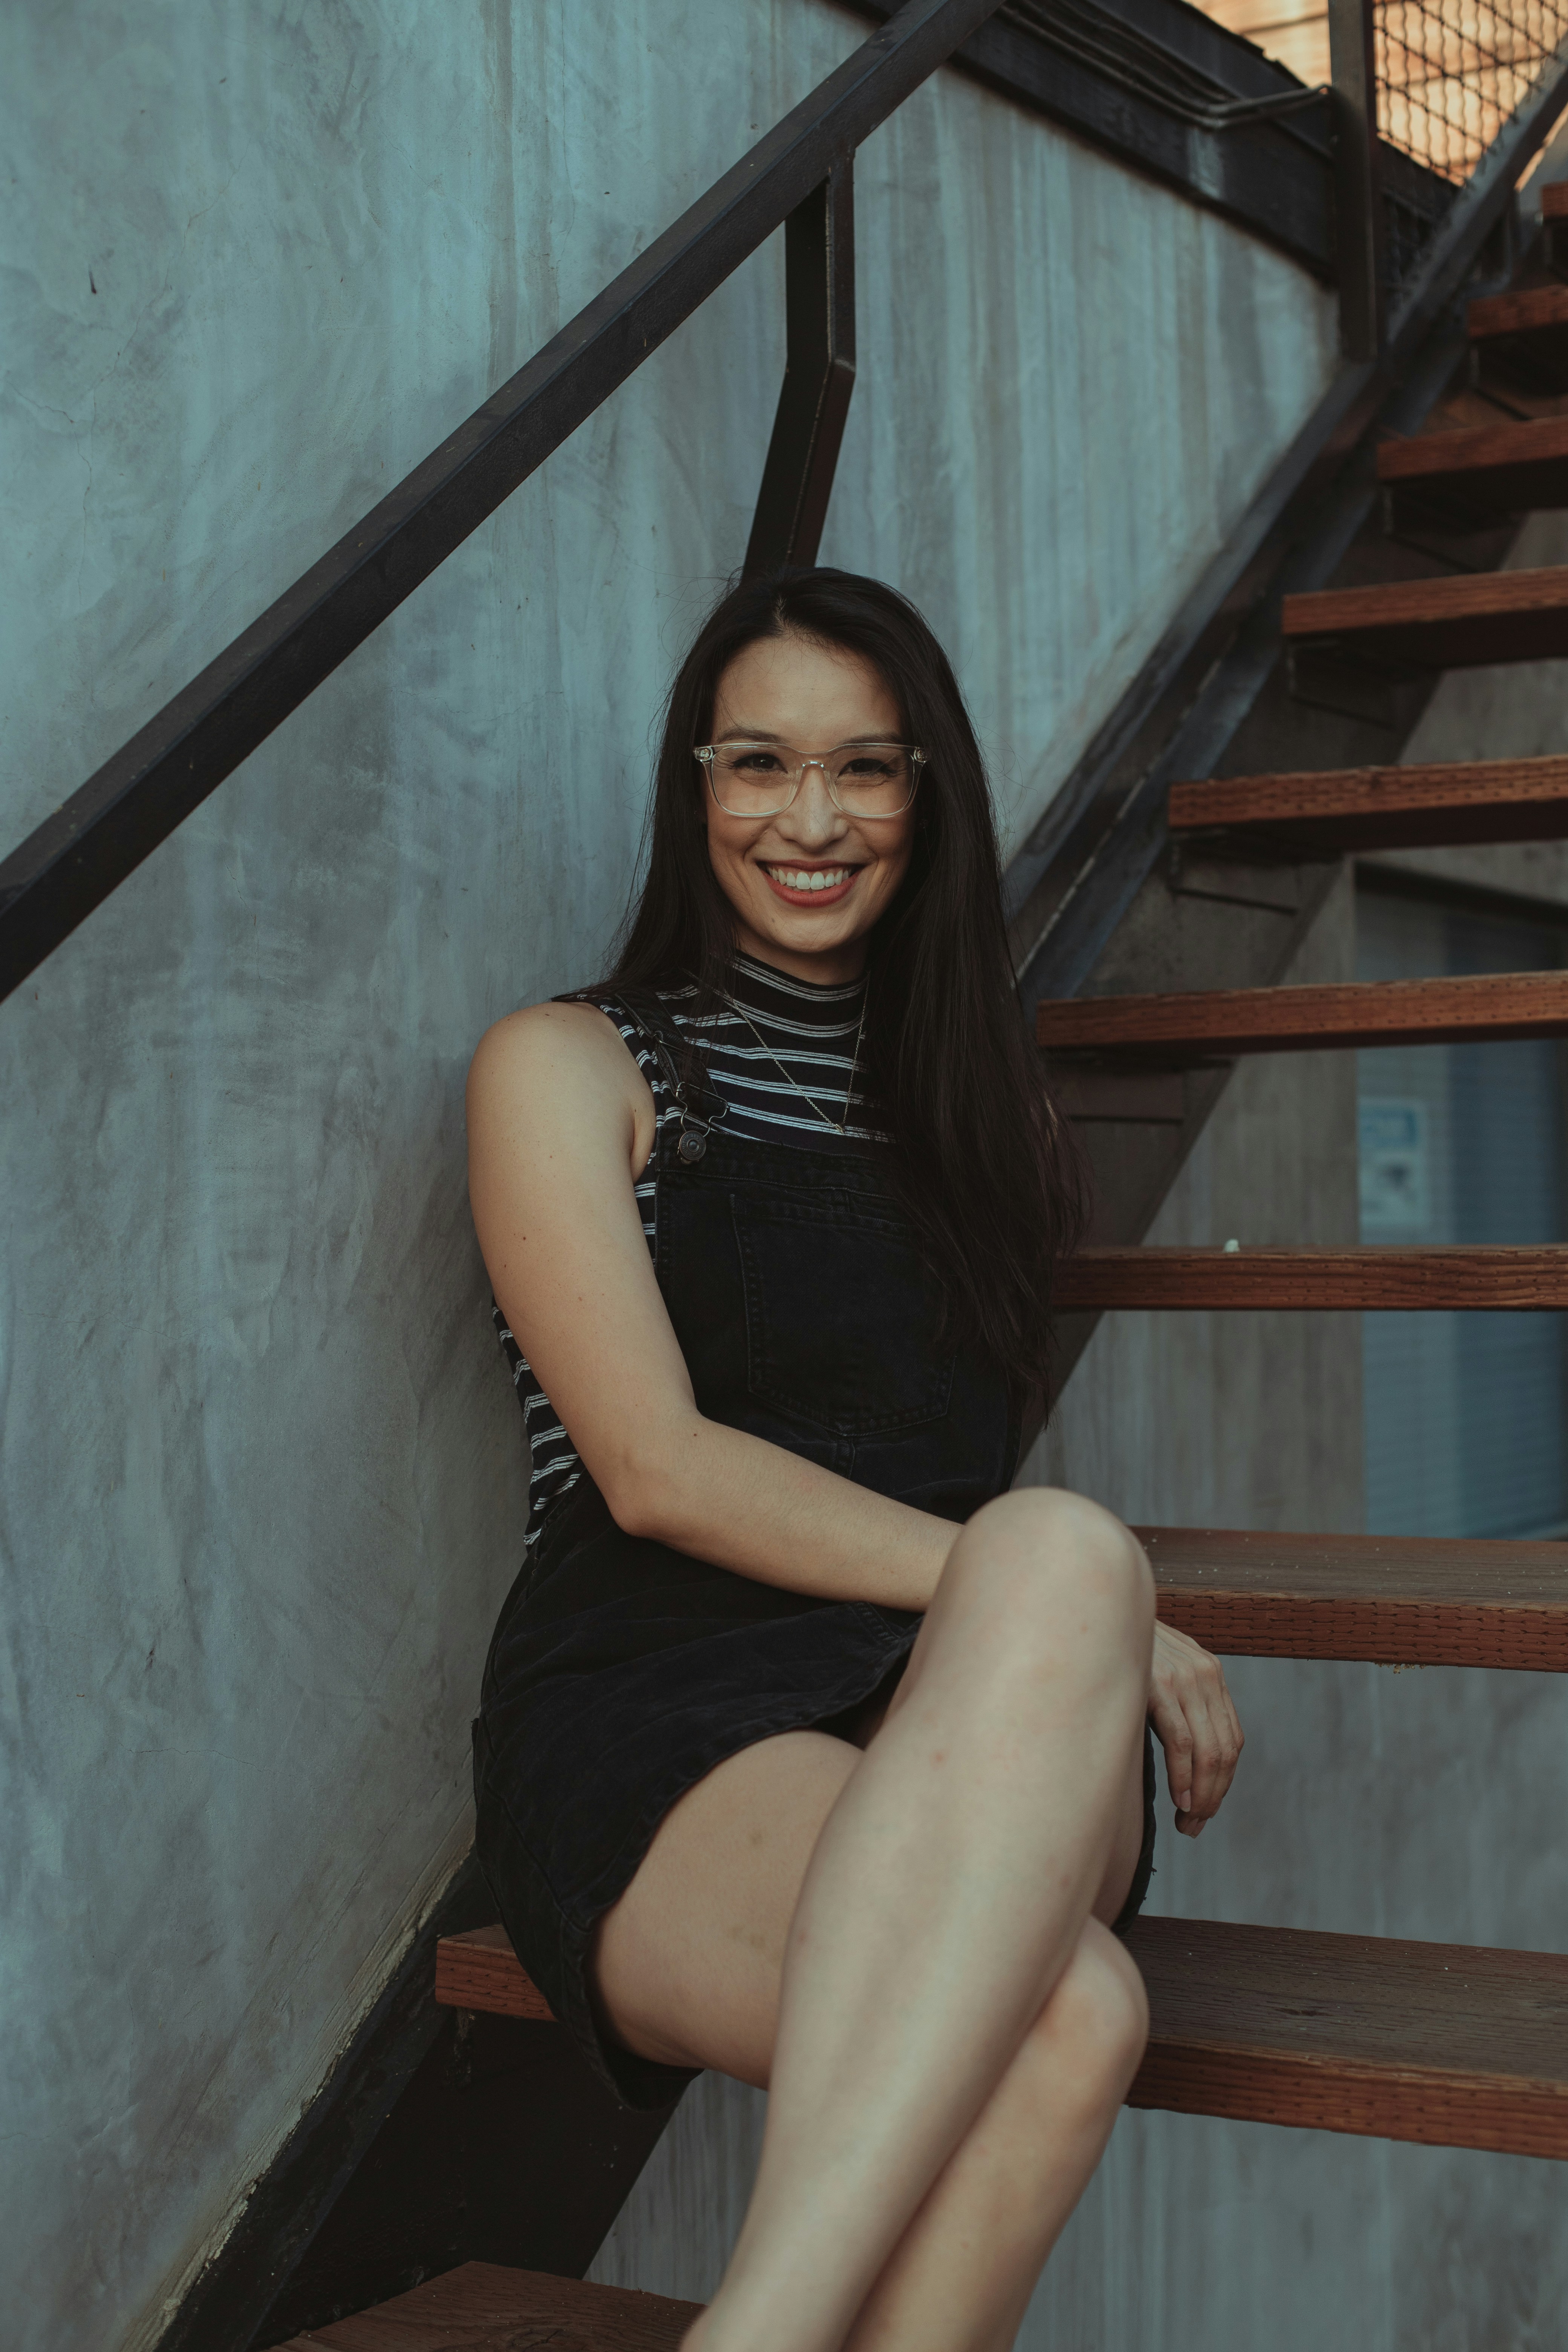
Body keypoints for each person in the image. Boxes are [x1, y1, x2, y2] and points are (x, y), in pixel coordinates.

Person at [466, 568, 1244, 2352]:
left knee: (1050, 1552)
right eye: (758, 764)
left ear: (926, 796)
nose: (807, 821)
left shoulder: (982, 1115)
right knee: (1072, 2025)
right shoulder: (567, 1065)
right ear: (695, 786)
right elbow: (653, 1471)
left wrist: (1050, 1608)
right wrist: (1091, 1605)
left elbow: (996, 1567)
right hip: (654, 1697)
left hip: (966, 1715)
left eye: (863, 770)